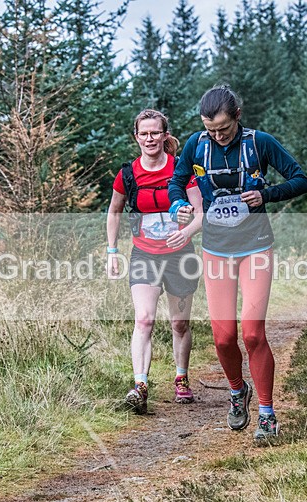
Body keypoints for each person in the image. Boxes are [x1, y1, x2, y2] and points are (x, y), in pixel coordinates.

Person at [167, 86, 307, 444]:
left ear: (237, 117)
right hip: (216, 249)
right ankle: (236, 390)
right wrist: (177, 206)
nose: (217, 136)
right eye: (211, 129)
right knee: (224, 336)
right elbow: (176, 182)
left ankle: (267, 413)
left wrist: (265, 194)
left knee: (251, 332)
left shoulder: (259, 142)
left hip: (256, 246)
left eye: (224, 129)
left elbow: (300, 180)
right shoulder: (196, 144)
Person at [106, 109, 203, 414]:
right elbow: (114, 211)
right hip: (144, 254)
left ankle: (181, 377)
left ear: (164, 135)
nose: (149, 139)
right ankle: (140, 385)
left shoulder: (181, 169)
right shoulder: (128, 174)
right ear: (136, 137)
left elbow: (201, 213)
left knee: (179, 323)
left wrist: (185, 231)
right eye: (143, 133)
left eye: (155, 133)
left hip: (180, 255)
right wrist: (112, 251)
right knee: (144, 319)